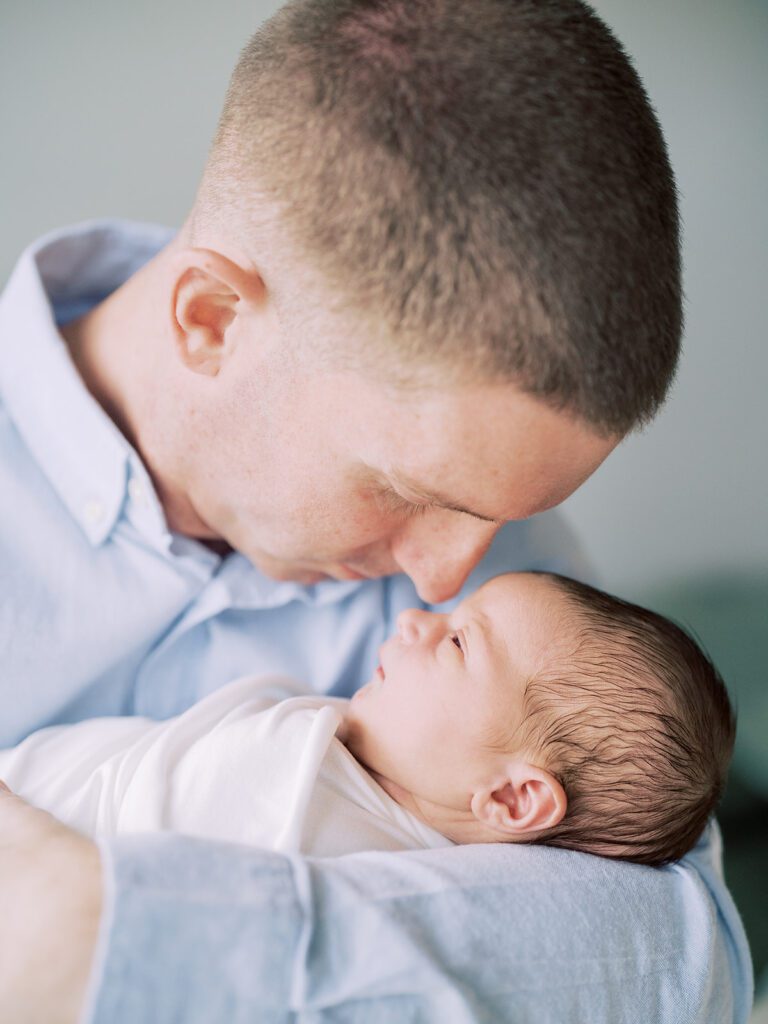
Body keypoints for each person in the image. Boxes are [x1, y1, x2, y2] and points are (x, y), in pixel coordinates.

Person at [0, 0, 752, 1021]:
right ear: (212, 321)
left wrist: (90, 930)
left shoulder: (507, 582)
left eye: (499, 515)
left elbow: (674, 947)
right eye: (407, 491)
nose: (445, 578)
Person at [0, 573, 736, 868]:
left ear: (513, 798)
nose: (414, 617)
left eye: (455, 640)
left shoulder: (321, 830)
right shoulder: (354, 774)